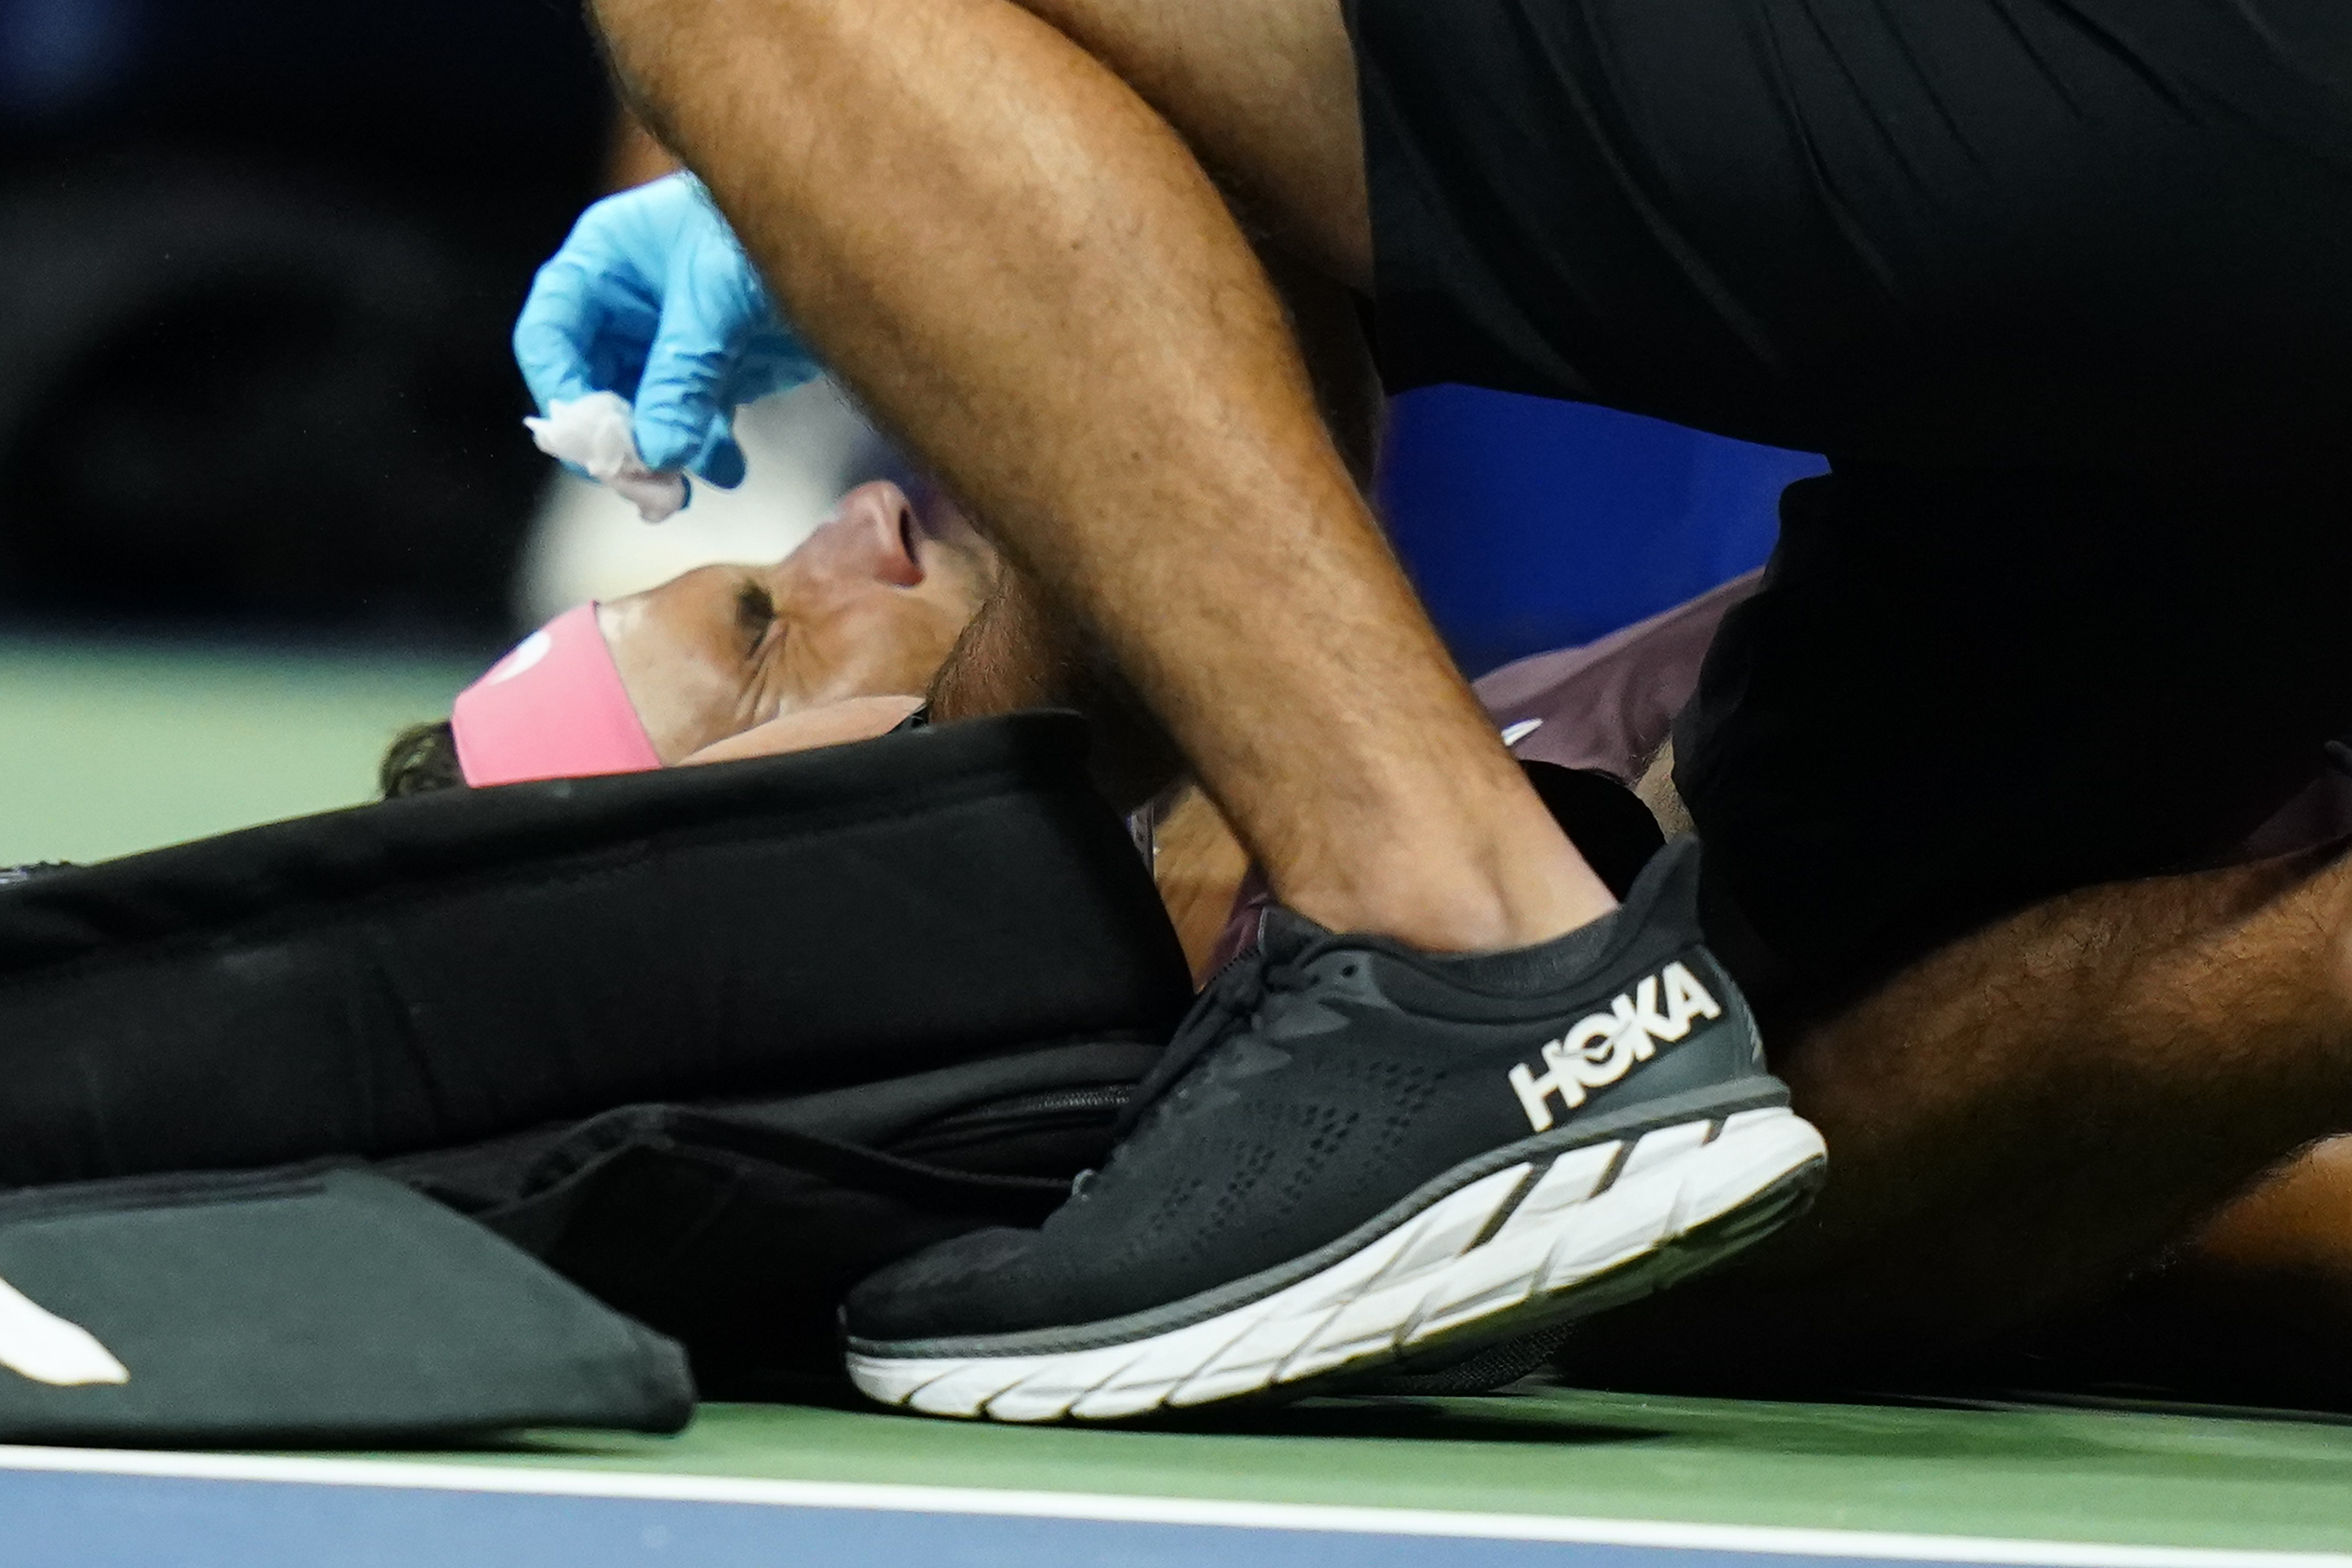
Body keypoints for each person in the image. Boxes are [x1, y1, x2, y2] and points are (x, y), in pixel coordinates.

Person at [511, 0, 2352, 1419]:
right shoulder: (1692, 1128)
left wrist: (908, 154)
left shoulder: (1400, 787)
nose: (853, 523)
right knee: (1719, 1233)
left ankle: (1446, 937)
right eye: (767, 637)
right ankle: (1452, 940)